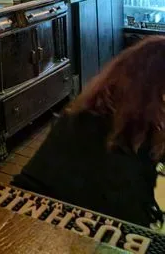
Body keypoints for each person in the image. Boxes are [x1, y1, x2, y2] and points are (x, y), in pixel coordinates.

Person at [12, 36, 165, 229]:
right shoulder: (134, 138)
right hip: (65, 230)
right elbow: (130, 220)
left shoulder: (80, 114)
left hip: (22, 214)